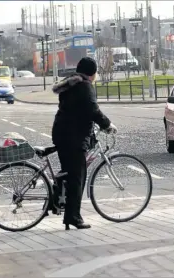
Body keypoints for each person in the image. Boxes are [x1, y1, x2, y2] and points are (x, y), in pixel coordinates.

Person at [51, 57, 117, 230]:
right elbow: (92, 109)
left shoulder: (71, 84)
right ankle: (73, 217)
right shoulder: (85, 86)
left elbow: (78, 109)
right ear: (92, 73)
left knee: (70, 173)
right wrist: (107, 125)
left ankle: (61, 204)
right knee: (77, 177)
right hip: (72, 137)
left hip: (62, 132)